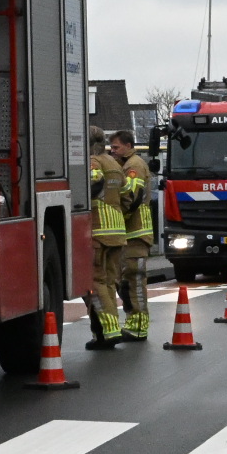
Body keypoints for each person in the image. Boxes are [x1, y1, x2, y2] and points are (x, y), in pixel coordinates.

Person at [108, 130, 153, 342]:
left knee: (134, 281)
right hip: (131, 234)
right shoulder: (126, 164)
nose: (112, 151)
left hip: (136, 233)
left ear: (128, 145)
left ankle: (139, 326)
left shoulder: (133, 166)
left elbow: (132, 199)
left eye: (116, 147)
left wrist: (117, 217)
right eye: (111, 147)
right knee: (126, 282)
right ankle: (134, 323)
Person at [86, 127, 127, 349]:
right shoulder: (115, 164)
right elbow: (127, 195)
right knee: (110, 282)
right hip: (117, 229)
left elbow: (94, 180)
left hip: (99, 229)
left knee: (95, 281)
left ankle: (110, 330)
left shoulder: (94, 161)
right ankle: (101, 334)